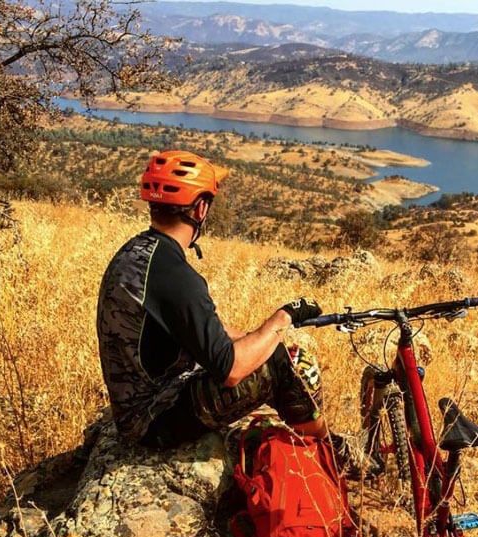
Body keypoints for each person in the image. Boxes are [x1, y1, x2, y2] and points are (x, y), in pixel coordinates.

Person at [96, 150, 330, 449]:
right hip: (152, 422)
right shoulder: (175, 276)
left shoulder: (138, 253)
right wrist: (283, 317)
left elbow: (203, 329)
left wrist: (254, 338)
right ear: (200, 209)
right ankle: (326, 450)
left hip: (140, 407)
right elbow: (231, 370)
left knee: (266, 351)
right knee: (285, 362)